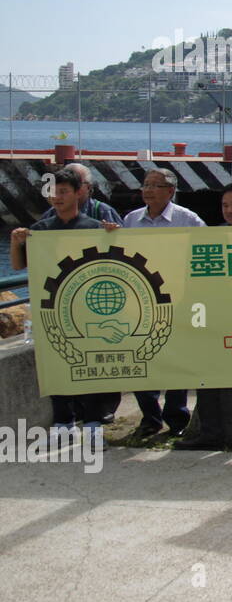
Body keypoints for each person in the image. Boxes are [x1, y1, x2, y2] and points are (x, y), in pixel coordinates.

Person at [10, 168, 119, 435]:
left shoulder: (93, 227)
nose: (57, 197)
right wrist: (16, 242)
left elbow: (113, 261)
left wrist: (112, 234)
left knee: (89, 362)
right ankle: (63, 419)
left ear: (77, 192)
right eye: (53, 192)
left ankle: (93, 419)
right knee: (55, 362)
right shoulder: (40, 230)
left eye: (63, 192)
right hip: (52, 306)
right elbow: (18, 265)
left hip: (87, 307)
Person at [175, 183, 232, 451]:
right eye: (225, 205)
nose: (229, 210)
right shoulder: (211, 236)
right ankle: (210, 433)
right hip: (214, 317)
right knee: (208, 377)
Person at [121, 168, 204, 437]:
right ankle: (149, 417)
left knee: (176, 360)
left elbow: (204, 253)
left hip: (177, 300)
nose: (148, 190)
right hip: (141, 301)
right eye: (145, 184)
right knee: (141, 359)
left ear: (170, 191)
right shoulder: (131, 220)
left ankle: (177, 416)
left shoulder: (187, 219)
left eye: (155, 185)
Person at [38, 162, 122, 225]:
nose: (58, 196)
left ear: (88, 187)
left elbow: (122, 242)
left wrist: (112, 232)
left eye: (77, 183)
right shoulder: (50, 215)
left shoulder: (103, 212)